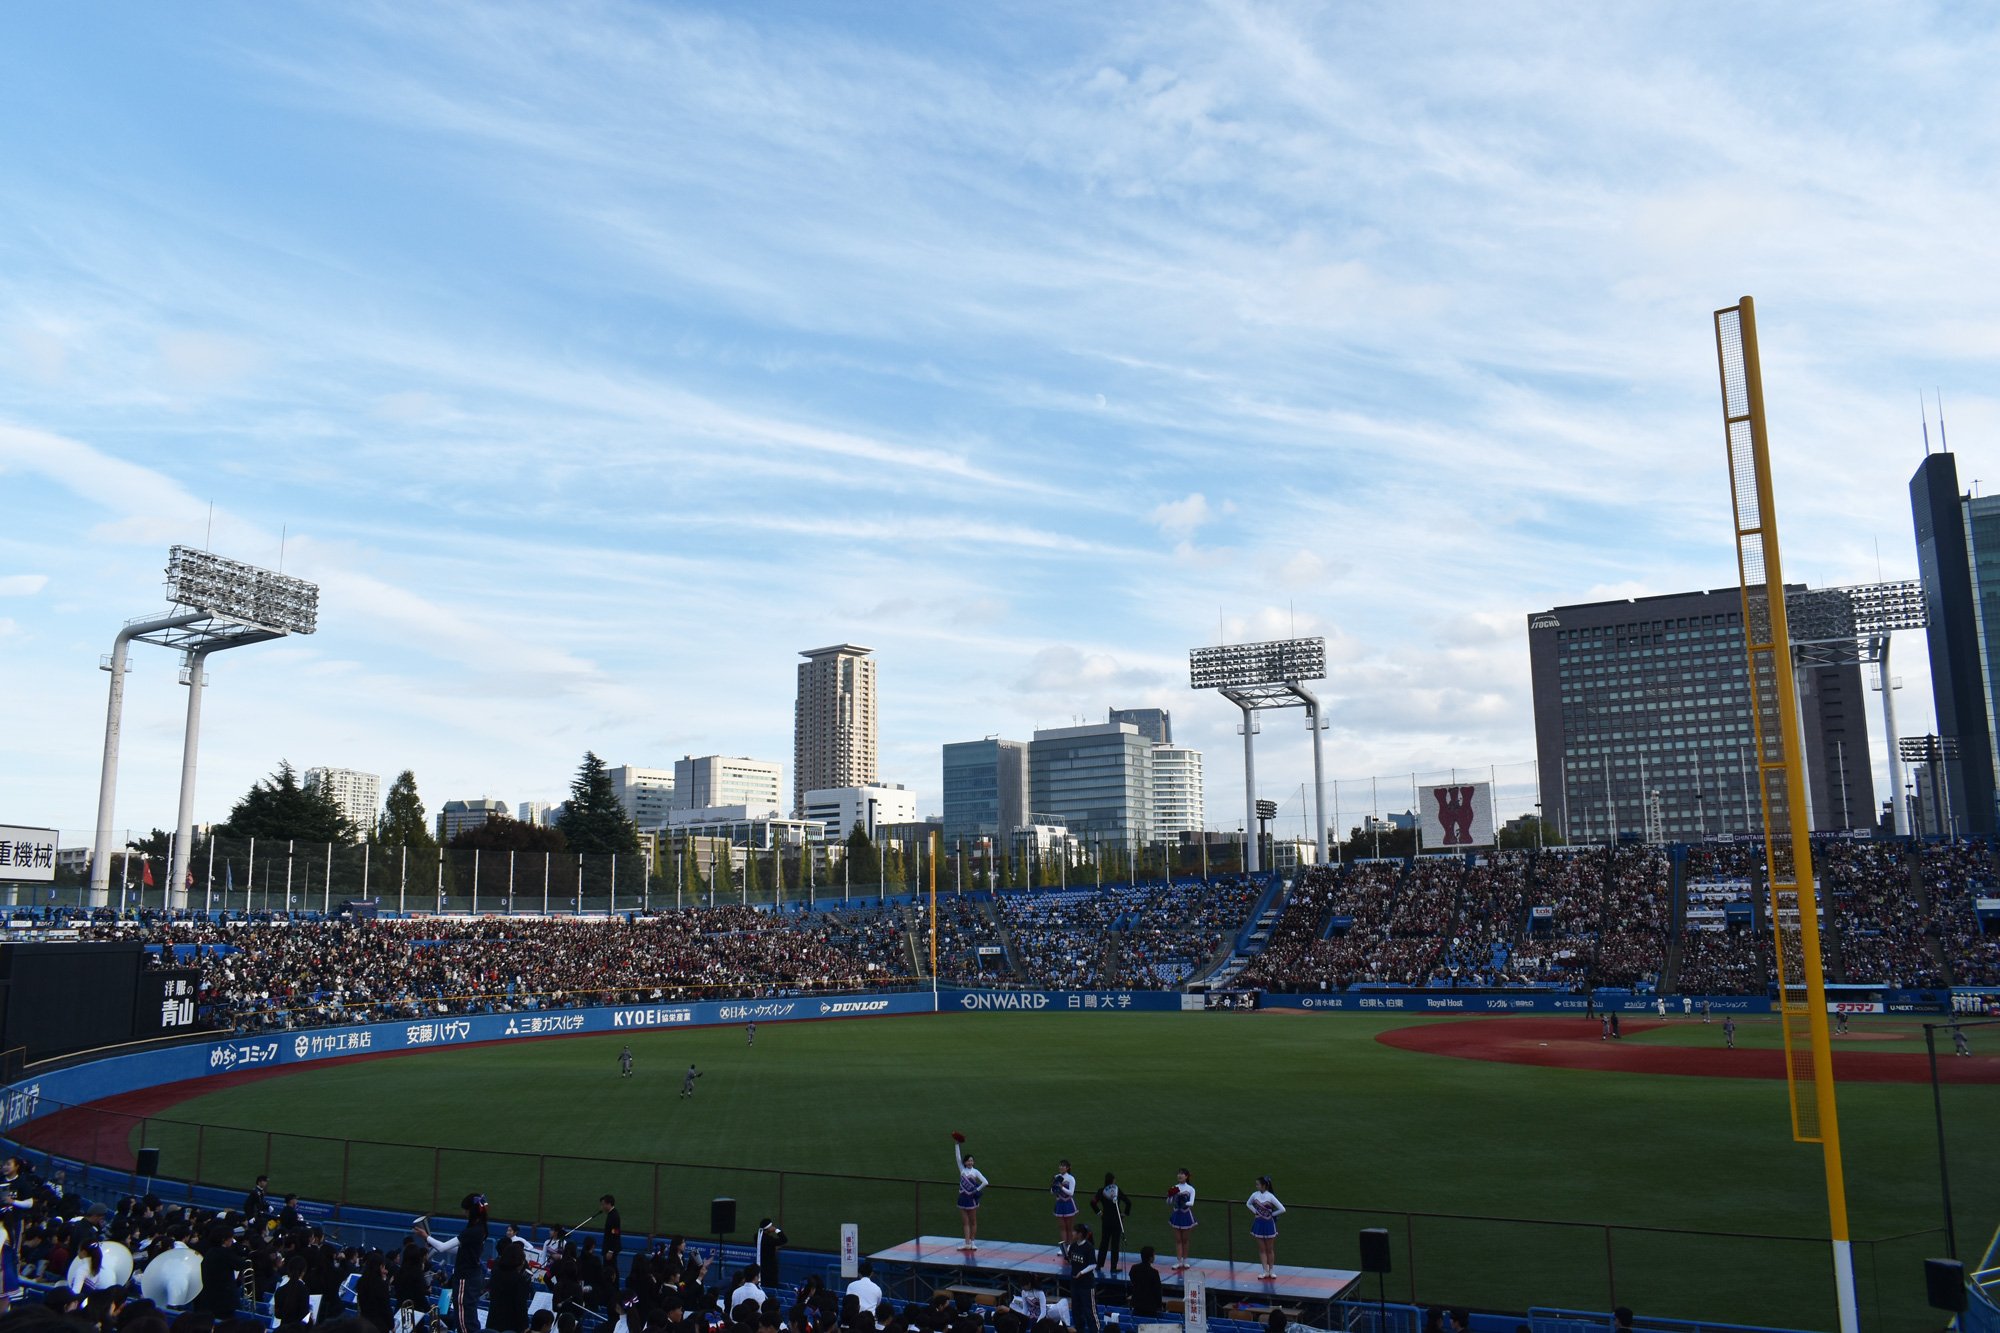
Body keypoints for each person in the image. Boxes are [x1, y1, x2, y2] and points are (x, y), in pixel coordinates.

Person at [1088, 1173, 1131, 1276]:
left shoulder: (1101, 1191)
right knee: (1115, 1244)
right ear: (1113, 1180)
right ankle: (1113, 1267)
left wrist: (1099, 1213)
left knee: (1104, 1242)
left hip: (1106, 1220)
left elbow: (1092, 1202)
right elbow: (1128, 1202)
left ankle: (1099, 1265)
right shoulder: (1117, 1190)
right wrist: (1125, 1214)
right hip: (1116, 1220)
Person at [1246, 1176, 1285, 1280]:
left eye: (1258, 1184)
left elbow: (1282, 1209)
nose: (1256, 1186)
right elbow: (1248, 1204)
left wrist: (1272, 1215)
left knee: (1269, 1249)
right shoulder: (1254, 1195)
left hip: (1269, 1225)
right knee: (1262, 1249)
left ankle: (1271, 1270)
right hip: (1258, 1224)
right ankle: (1265, 1271)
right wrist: (1255, 1212)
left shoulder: (1270, 1196)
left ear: (1263, 1185)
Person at [952, 1136, 987, 1252]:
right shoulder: (962, 1170)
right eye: (968, 1160)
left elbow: (985, 1182)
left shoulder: (975, 1171)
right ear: (965, 1162)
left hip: (971, 1199)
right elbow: (957, 1158)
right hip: (962, 1198)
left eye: (972, 1160)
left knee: (973, 1221)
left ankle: (973, 1242)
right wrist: (957, 1145)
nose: (970, 1162)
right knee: (965, 1222)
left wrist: (976, 1190)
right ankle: (966, 1243)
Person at [1061, 1225, 1097, 1333]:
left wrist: (1081, 1272)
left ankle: (1094, 1330)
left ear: (1080, 1234)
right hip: (1075, 1284)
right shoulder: (1073, 1246)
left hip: (1087, 1285)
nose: (1072, 1233)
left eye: (1074, 1232)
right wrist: (1066, 1254)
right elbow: (1071, 1260)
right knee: (1076, 1310)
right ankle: (1079, 1330)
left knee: (1089, 1311)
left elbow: (1093, 1264)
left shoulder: (1089, 1247)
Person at [1166, 1169, 1197, 1271]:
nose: (1179, 1175)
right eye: (1179, 1174)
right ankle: (1179, 1261)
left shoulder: (1190, 1189)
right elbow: (1168, 1202)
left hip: (1186, 1215)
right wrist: (1170, 1196)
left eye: (1182, 1174)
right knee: (1178, 1240)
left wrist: (1183, 1201)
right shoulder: (1174, 1188)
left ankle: (1185, 1261)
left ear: (1186, 1176)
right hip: (1176, 1215)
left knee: (1185, 1240)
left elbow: (1191, 1203)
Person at [1125, 1247, 1163, 1320]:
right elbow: (1157, 1291)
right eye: (1153, 1255)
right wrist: (1159, 1306)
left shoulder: (1134, 1268)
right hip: (1150, 1307)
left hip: (1137, 1304)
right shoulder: (1154, 1273)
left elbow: (1133, 1279)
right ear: (1150, 1258)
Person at [1050, 1160, 1078, 1246]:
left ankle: (1070, 1246)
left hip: (1068, 1204)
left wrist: (1061, 1187)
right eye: (1060, 1165)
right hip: (1059, 1204)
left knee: (1069, 1227)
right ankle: (1064, 1248)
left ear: (1067, 1168)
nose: (1061, 1167)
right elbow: (1051, 1191)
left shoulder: (1071, 1178)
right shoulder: (1056, 1177)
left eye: (1063, 1166)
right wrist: (1054, 1187)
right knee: (1062, 1227)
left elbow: (1071, 1193)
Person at [756, 1218, 787, 1288]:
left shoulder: (757, 1236)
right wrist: (776, 1230)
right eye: (771, 1226)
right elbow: (784, 1240)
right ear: (768, 1228)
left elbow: (764, 1246)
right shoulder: (769, 1240)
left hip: (761, 1267)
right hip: (770, 1269)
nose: (773, 1227)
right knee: (771, 1287)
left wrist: (772, 1247)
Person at [600, 1196, 622, 1286]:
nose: (602, 1207)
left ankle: (613, 1287)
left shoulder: (614, 1216)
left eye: (603, 1204)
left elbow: (615, 1234)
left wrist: (611, 1251)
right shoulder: (612, 1214)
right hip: (609, 1248)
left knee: (611, 1269)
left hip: (610, 1250)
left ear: (609, 1204)